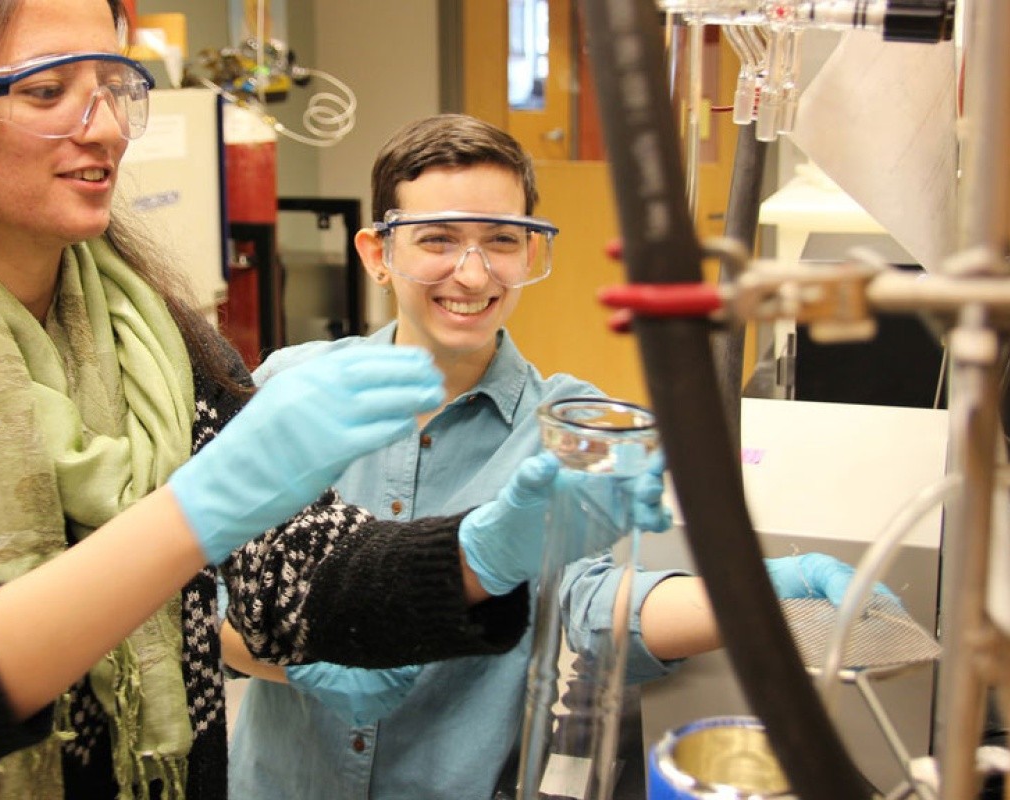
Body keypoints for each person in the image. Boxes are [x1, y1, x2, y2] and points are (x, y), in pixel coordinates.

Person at [0, 6, 633, 797]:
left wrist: (480, 553)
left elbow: (289, 573)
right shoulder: (292, 374)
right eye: (49, 90)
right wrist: (189, 517)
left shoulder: (163, 345)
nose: (110, 128)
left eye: (118, 86)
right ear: (380, 253)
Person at [222, 113, 886, 800]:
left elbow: (592, 604)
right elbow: (203, 595)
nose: (473, 273)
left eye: (502, 241)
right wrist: (297, 662)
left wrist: (759, 597)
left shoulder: (571, 426)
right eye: (438, 240)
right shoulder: (288, 389)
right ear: (376, 252)